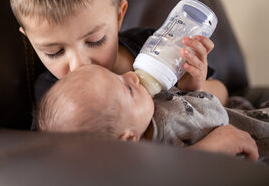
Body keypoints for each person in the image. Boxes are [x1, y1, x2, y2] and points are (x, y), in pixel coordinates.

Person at [9, 0, 255, 159]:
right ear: (29, 39)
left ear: (118, 17)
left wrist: (193, 87)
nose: (79, 65)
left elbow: (223, 93)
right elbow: (96, 165)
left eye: (94, 40)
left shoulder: (151, 45)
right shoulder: (56, 102)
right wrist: (207, 152)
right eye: (54, 52)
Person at [36, 64, 265, 162]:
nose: (130, 75)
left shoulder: (142, 111)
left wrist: (190, 85)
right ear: (127, 140)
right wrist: (209, 150)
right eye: (127, 88)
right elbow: (173, 173)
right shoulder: (160, 140)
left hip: (241, 108)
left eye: (116, 75)